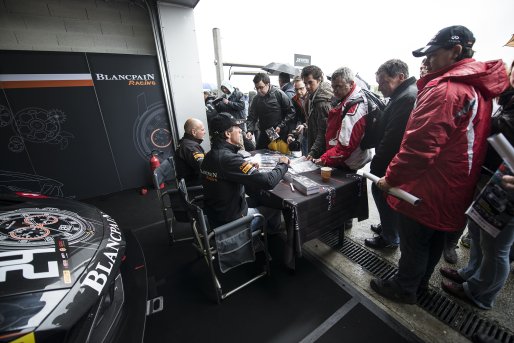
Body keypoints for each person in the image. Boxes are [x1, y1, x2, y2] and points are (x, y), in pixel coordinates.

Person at [370, 25, 509, 304]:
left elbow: (419, 148)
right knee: (432, 240)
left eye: (434, 53)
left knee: (414, 242)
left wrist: (391, 178)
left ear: (455, 51)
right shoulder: (478, 89)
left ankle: (404, 288)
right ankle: (419, 284)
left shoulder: (447, 90)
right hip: (454, 184)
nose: (428, 61)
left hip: (427, 186)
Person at [439, 59, 514, 310]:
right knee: (479, 233)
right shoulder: (504, 98)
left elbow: (501, 130)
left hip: (509, 188)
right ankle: (471, 272)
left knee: (497, 248)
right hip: (492, 176)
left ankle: (480, 294)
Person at [201, 112, 290, 231]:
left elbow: (225, 175)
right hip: (232, 224)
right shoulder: (228, 158)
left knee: (261, 199)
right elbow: (268, 181)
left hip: (217, 215)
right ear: (228, 134)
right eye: (238, 129)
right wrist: (283, 164)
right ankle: (273, 239)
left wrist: (245, 168)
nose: (241, 132)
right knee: (276, 206)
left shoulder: (209, 155)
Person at [364, 59, 417, 250]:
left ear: (400, 77)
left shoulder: (407, 98)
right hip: (391, 158)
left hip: (390, 161)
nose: (380, 87)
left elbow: (393, 138)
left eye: (384, 82)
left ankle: (390, 238)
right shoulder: (403, 94)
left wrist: (377, 165)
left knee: (381, 193)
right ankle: (388, 227)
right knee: (385, 197)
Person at [312, 67, 372, 171]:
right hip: (342, 158)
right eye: (333, 86)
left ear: (351, 83)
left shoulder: (355, 108)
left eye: (338, 86)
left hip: (348, 162)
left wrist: (324, 158)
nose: (335, 90)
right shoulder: (346, 98)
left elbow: (345, 147)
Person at [246, 73, 296, 151]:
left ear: (268, 84)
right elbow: (252, 116)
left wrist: (281, 125)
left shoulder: (279, 94)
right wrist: (249, 130)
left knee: (278, 156)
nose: (259, 91)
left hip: (278, 132)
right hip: (264, 132)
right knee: (260, 154)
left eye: (261, 87)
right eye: (256, 88)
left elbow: (291, 112)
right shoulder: (256, 99)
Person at [301, 65, 333, 160]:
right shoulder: (314, 96)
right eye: (305, 83)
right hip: (319, 149)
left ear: (319, 80)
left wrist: (313, 152)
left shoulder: (322, 101)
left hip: (322, 152)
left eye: (310, 82)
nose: (307, 86)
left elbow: (324, 131)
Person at [174, 118, 206, 186]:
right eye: (202, 130)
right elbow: (204, 168)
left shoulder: (185, 142)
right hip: (194, 185)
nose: (205, 132)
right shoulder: (191, 147)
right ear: (194, 132)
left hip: (190, 181)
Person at [288, 76, 309, 156]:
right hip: (305, 130)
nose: (299, 91)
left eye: (301, 88)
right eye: (296, 89)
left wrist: (304, 125)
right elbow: (294, 117)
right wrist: (290, 134)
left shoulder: (311, 98)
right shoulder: (294, 99)